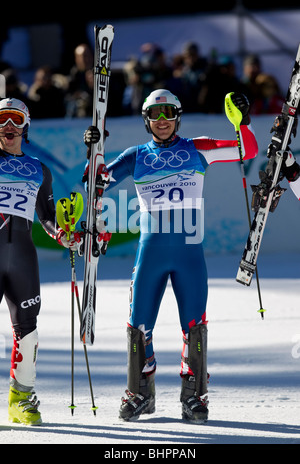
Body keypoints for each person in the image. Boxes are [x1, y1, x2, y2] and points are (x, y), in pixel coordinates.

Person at [84, 89, 258, 423]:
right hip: (150, 253)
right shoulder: (136, 155)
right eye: (154, 114)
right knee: (138, 325)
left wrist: (243, 122)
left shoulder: (197, 148)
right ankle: (139, 394)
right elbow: (95, 181)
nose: (162, 121)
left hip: (189, 254)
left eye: (168, 113)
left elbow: (247, 150)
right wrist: (94, 149)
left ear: (177, 116)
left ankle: (194, 397)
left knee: (194, 325)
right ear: (146, 120)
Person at [0, 97, 76, 425]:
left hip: (22, 257)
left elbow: (47, 217)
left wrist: (63, 235)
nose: (9, 127)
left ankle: (21, 399)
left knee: (27, 329)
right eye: (2, 120)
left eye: (16, 120)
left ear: (26, 126)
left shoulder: (38, 169)